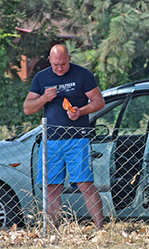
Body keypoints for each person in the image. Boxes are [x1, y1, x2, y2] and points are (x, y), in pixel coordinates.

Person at [23, 44, 105, 229]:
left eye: (63, 64)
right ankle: (53, 230)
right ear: (50, 61)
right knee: (52, 187)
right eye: (55, 65)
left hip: (78, 139)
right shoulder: (41, 78)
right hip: (51, 140)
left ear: (69, 58)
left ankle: (100, 229)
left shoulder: (83, 75)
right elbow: (28, 108)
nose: (59, 68)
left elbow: (99, 102)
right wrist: (44, 98)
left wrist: (80, 111)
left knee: (85, 184)